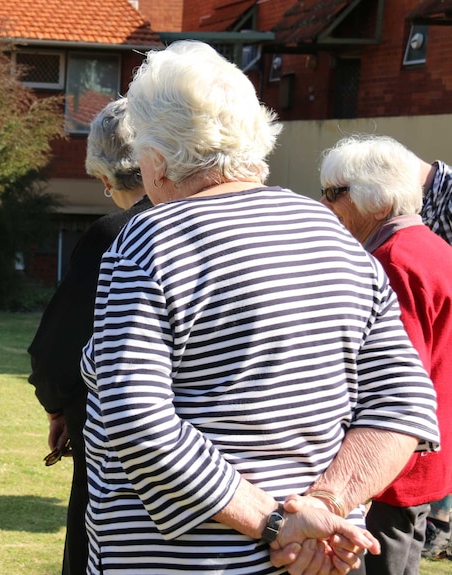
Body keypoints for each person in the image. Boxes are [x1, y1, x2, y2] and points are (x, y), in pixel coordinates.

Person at [78, 40, 440, 575]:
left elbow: (136, 418)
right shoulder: (336, 237)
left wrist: (277, 521)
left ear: (155, 157)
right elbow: (406, 402)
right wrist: (325, 505)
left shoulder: (148, 240)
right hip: (313, 558)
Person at [28, 98, 152, 575]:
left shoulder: (114, 234)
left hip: (119, 445)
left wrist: (57, 405)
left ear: (106, 178)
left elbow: (58, 348)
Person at [318, 134, 452, 575]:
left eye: (334, 192)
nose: (324, 204)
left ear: (375, 198)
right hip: (424, 462)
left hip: (389, 470)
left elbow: (394, 383)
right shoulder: (437, 250)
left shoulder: (393, 262)